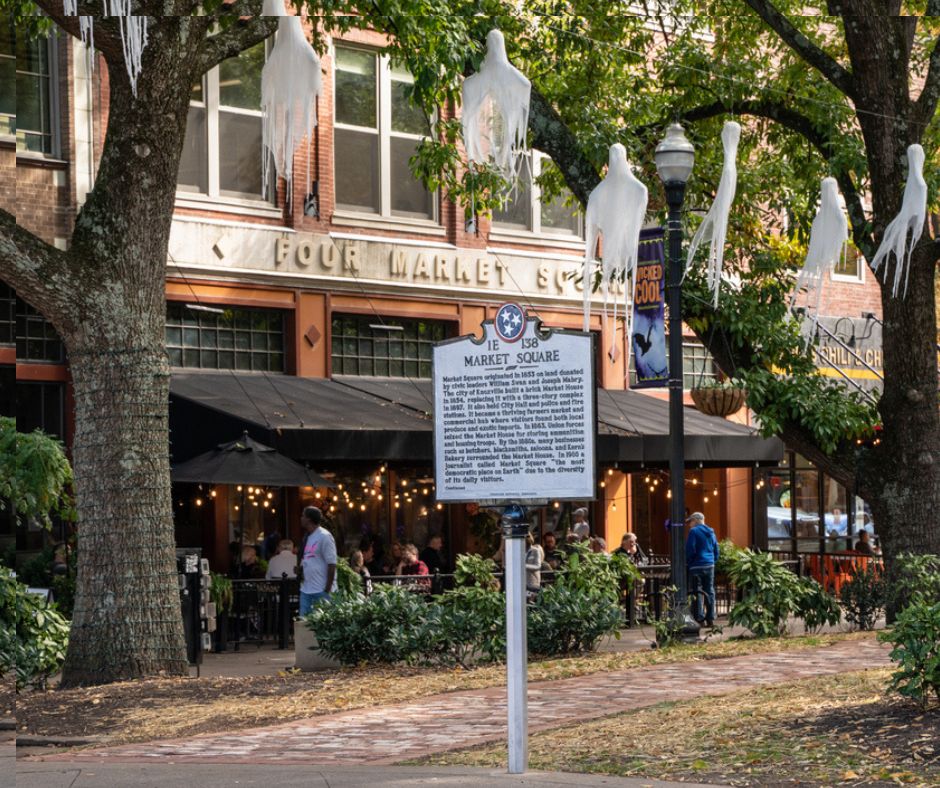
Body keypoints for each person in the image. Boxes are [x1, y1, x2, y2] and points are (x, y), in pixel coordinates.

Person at [298, 506, 337, 616]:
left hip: (321, 590)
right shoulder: (307, 537)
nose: (301, 518)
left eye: (303, 516)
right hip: (306, 589)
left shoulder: (324, 536)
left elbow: (332, 563)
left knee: (322, 626)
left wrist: (327, 589)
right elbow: (309, 559)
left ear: (309, 519)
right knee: (303, 625)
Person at [685, 512, 719, 627]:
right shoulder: (711, 532)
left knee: (697, 592)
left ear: (695, 520)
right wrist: (713, 561)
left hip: (696, 566)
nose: (689, 524)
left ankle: (699, 618)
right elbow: (716, 549)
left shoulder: (693, 532)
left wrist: (689, 562)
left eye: (690, 521)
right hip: (709, 565)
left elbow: (690, 549)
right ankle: (710, 617)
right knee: (709, 591)